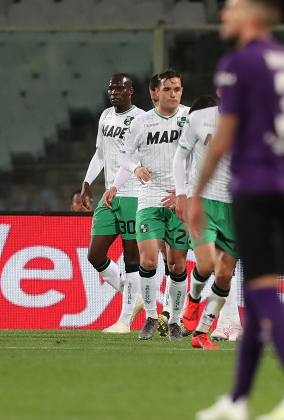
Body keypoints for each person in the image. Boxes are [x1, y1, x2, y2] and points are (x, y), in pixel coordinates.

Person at [193, 0, 284, 418]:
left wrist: (195, 193)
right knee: (255, 288)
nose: (223, 15)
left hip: (253, 185)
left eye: (231, 8)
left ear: (251, 16)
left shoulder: (239, 63)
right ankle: (236, 401)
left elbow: (222, 138)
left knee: (263, 292)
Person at [105, 68, 191, 341]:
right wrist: (136, 168)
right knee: (148, 259)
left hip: (179, 200)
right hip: (150, 198)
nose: (173, 94)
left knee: (177, 265)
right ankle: (151, 317)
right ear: (157, 93)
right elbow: (124, 157)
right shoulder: (142, 123)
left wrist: (184, 191)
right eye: (168, 89)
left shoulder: (189, 119)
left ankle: (175, 320)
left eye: (177, 89)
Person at [172, 94, 242, 349]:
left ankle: (201, 333)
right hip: (203, 199)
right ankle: (192, 300)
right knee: (207, 262)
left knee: (224, 275)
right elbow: (179, 158)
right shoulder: (199, 117)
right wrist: (181, 193)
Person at [80, 73, 145, 334]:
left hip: (131, 194)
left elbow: (136, 157)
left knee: (132, 257)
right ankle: (134, 295)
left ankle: (124, 320)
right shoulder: (106, 116)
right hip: (109, 195)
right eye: (111, 88)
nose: (115, 91)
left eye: (121, 87)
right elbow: (100, 153)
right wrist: (86, 182)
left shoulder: (141, 118)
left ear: (132, 91)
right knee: (95, 254)